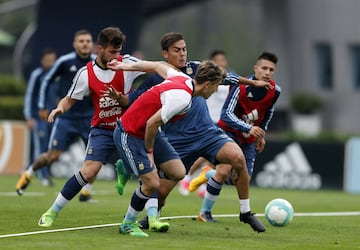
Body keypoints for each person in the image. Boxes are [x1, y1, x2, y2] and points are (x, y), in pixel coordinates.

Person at [112, 32, 268, 233]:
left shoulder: (195, 70)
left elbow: (226, 78)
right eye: (177, 50)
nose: (183, 53)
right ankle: (146, 212)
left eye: (184, 49)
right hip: (176, 139)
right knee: (158, 188)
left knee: (237, 157)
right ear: (165, 53)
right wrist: (120, 94)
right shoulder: (166, 84)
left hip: (207, 133)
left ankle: (245, 212)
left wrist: (253, 83)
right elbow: (138, 105)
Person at [36, 27, 155, 229]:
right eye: (112, 52)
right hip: (103, 130)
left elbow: (155, 68)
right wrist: (58, 109)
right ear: (100, 49)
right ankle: (52, 212)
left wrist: (172, 71)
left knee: (151, 174)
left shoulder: (127, 64)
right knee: (89, 172)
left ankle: (151, 218)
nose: (116, 56)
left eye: (119, 51)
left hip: (128, 130)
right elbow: (69, 98)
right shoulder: (86, 73)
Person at [108, 57, 227, 237]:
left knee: (178, 172)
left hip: (150, 133)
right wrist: (149, 153)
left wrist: (125, 66)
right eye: (217, 85)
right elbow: (151, 123)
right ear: (208, 84)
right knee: (152, 183)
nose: (217, 90)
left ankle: (128, 167)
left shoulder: (183, 79)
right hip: (130, 133)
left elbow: (156, 66)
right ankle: (128, 223)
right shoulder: (182, 98)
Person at [189, 52, 281, 226]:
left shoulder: (275, 91)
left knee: (241, 179)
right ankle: (205, 212)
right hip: (227, 131)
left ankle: (208, 174)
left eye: (271, 69)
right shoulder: (241, 86)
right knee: (224, 171)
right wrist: (249, 127)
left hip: (248, 139)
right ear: (255, 68)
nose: (267, 72)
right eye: (264, 68)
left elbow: (268, 112)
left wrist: (261, 134)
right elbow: (227, 114)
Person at [16, 29, 97, 202]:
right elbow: (46, 80)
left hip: (89, 118)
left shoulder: (97, 63)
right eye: (81, 41)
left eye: (88, 41)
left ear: (92, 45)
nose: (84, 44)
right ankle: (28, 174)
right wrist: (41, 106)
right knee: (53, 155)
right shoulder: (65, 62)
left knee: (96, 157)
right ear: (75, 44)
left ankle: (86, 192)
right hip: (66, 118)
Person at [178, 49, 232, 197]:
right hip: (208, 121)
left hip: (222, 122)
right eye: (218, 61)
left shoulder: (227, 82)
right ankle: (187, 177)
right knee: (205, 155)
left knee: (214, 157)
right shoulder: (207, 80)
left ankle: (203, 185)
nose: (221, 63)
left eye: (223, 60)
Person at [23, 48, 57, 186]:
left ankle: (27, 171)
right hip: (38, 117)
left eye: (52, 60)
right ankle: (43, 177)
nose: (50, 63)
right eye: (47, 60)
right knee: (40, 147)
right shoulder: (37, 75)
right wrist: (29, 116)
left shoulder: (57, 75)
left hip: (52, 118)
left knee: (49, 148)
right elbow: (29, 96)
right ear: (42, 60)